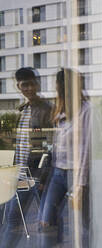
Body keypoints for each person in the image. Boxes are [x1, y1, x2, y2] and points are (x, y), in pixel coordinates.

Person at [0, 67, 53, 248]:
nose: (29, 88)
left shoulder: (45, 109)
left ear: (37, 84)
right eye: (25, 85)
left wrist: (43, 177)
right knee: (16, 221)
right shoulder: (22, 110)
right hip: (21, 175)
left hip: (35, 176)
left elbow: (49, 145)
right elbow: (20, 144)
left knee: (16, 221)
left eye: (32, 84)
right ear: (18, 86)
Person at [38, 68, 91, 247]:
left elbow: (85, 150)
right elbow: (55, 146)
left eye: (59, 85)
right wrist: (46, 175)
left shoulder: (86, 110)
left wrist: (80, 183)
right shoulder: (60, 110)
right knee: (46, 220)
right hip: (57, 173)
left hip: (75, 173)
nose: (58, 89)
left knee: (81, 224)